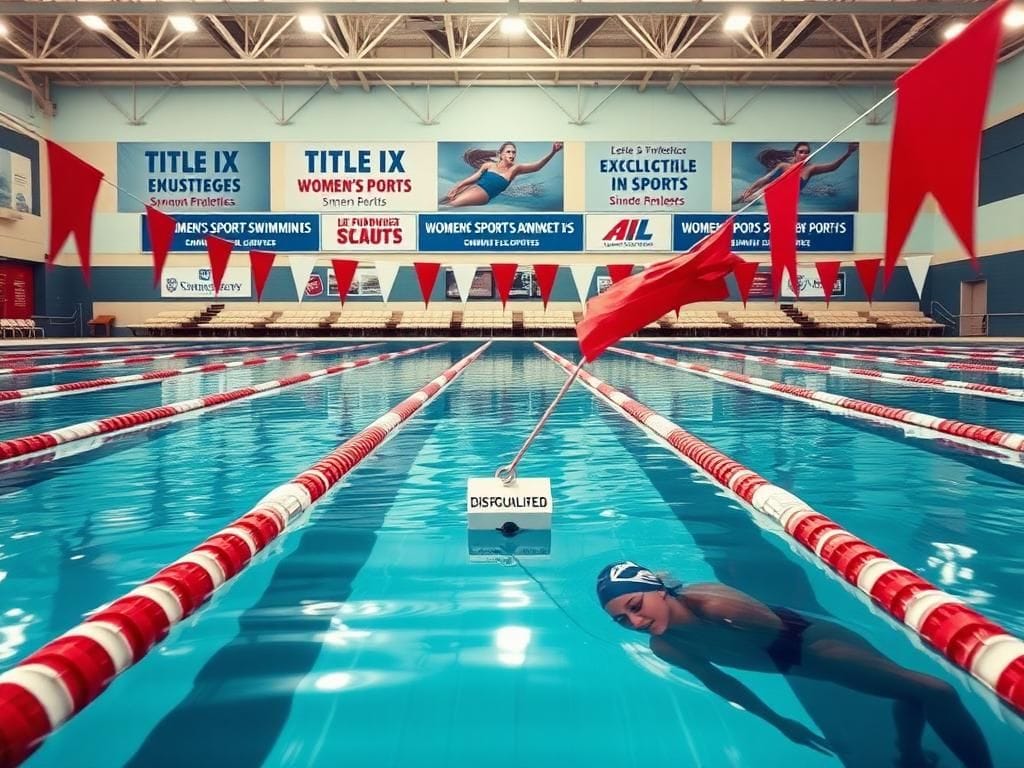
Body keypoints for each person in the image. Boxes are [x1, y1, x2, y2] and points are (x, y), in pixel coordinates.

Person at [597, 561, 993, 768]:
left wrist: (833, 663)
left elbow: (787, 633)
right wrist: (779, 721)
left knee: (934, 691)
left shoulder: (714, 604)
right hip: (795, 665)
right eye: (622, 620)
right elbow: (722, 684)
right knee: (907, 691)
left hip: (815, 647)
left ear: (657, 589)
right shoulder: (666, 646)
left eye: (635, 606)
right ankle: (908, 759)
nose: (635, 621)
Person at [441, 141, 563, 207]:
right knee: (445, 200)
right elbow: (473, 178)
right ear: (501, 154)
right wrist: (457, 187)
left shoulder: (516, 168)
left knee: (451, 205)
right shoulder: (489, 165)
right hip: (474, 187)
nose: (512, 154)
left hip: (484, 194)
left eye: (514, 152)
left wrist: (553, 152)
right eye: (508, 152)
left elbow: (537, 166)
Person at [733, 141, 858, 204]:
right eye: (801, 151)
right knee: (742, 200)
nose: (804, 154)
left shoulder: (810, 169)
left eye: (807, 152)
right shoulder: (784, 166)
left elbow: (833, 167)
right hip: (768, 191)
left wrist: (848, 153)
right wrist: (750, 188)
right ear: (795, 153)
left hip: (784, 199)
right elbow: (766, 179)